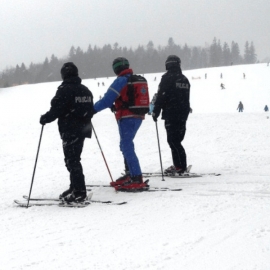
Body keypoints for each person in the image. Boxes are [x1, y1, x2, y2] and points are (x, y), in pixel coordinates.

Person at [40, 62, 94, 203]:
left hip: (71, 129)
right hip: (83, 129)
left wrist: (45, 118)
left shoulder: (64, 90)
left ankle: (80, 192)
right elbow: (90, 109)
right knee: (74, 159)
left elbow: (57, 109)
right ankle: (75, 187)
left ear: (64, 75)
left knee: (72, 160)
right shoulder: (85, 89)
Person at [93, 57, 148, 191]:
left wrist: (91, 110)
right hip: (138, 116)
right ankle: (130, 174)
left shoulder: (121, 81)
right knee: (125, 144)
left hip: (126, 117)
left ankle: (136, 177)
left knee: (126, 145)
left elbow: (106, 100)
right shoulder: (135, 79)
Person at [152, 55, 190, 175]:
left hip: (171, 113)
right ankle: (179, 165)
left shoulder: (167, 78)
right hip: (183, 114)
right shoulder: (184, 79)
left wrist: (156, 112)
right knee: (177, 140)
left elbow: (161, 96)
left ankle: (180, 166)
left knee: (173, 141)